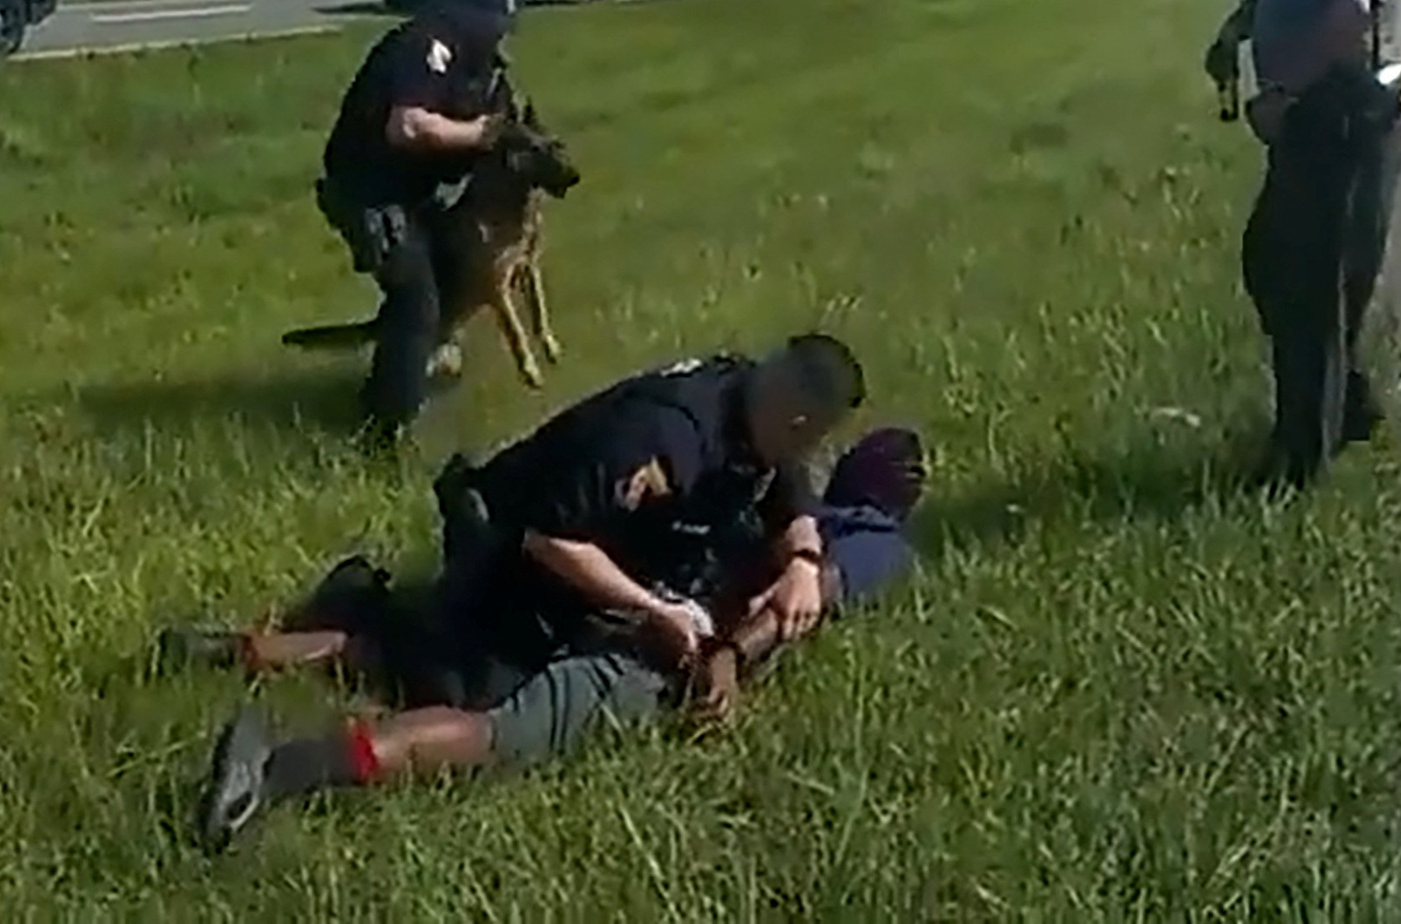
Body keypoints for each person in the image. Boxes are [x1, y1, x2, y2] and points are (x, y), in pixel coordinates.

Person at [171, 335, 905, 851]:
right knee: (486, 716)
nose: (811, 459)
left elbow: (782, 480)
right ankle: (277, 770)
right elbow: (552, 541)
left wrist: (804, 553)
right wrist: (657, 613)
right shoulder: (671, 436)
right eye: (814, 438)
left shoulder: (746, 397)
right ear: (800, 419)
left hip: (547, 543)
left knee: (410, 657)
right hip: (514, 544)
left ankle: (250, 646)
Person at [1201, 0, 1401, 486]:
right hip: (1318, 119)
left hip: (1348, 117)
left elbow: (1349, 15)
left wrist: (1282, 97)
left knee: (1310, 288)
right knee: (1275, 263)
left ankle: (1300, 459)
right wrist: (1234, 34)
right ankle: (1347, 404)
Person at [312, 0, 519, 447]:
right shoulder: (422, 46)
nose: (497, 38)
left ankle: (410, 373)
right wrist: (480, 134)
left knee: (459, 270)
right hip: (368, 195)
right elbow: (407, 127)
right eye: (492, 28)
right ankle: (381, 431)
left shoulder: (479, 68)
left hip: (415, 195)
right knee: (416, 302)